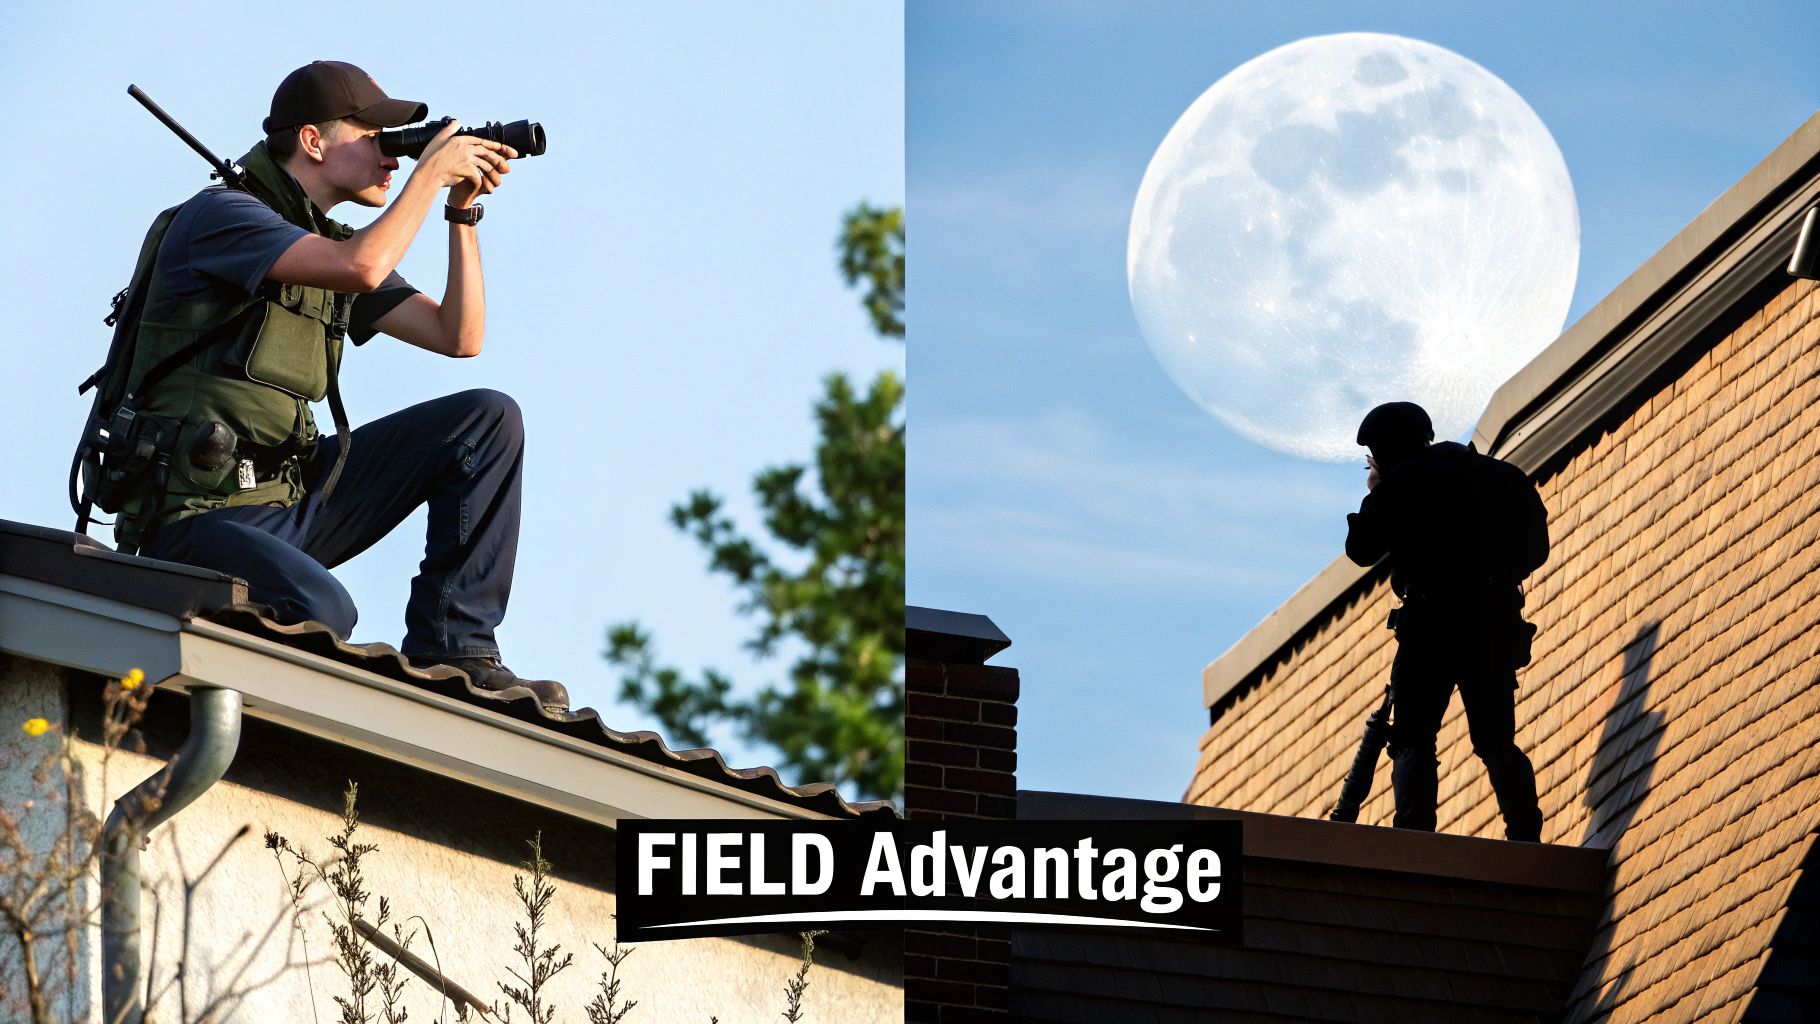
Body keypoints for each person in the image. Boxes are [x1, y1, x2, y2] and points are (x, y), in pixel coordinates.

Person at [117, 61, 568, 711]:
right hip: (196, 518)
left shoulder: (324, 244)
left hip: (291, 498)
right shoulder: (222, 218)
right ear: (313, 142)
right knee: (321, 607)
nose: (392, 155)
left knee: (488, 421)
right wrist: (429, 171)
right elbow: (361, 267)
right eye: (375, 138)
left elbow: (458, 335)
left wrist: (459, 211)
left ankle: (457, 648)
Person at [1343, 401, 1547, 841]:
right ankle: (1526, 837)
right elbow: (1537, 549)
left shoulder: (1403, 481)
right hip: (1491, 628)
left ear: (1385, 450)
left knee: (1413, 740)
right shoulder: (1501, 476)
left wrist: (1378, 489)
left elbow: (1360, 549)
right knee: (1496, 742)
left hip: (1428, 631)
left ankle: (1415, 842)